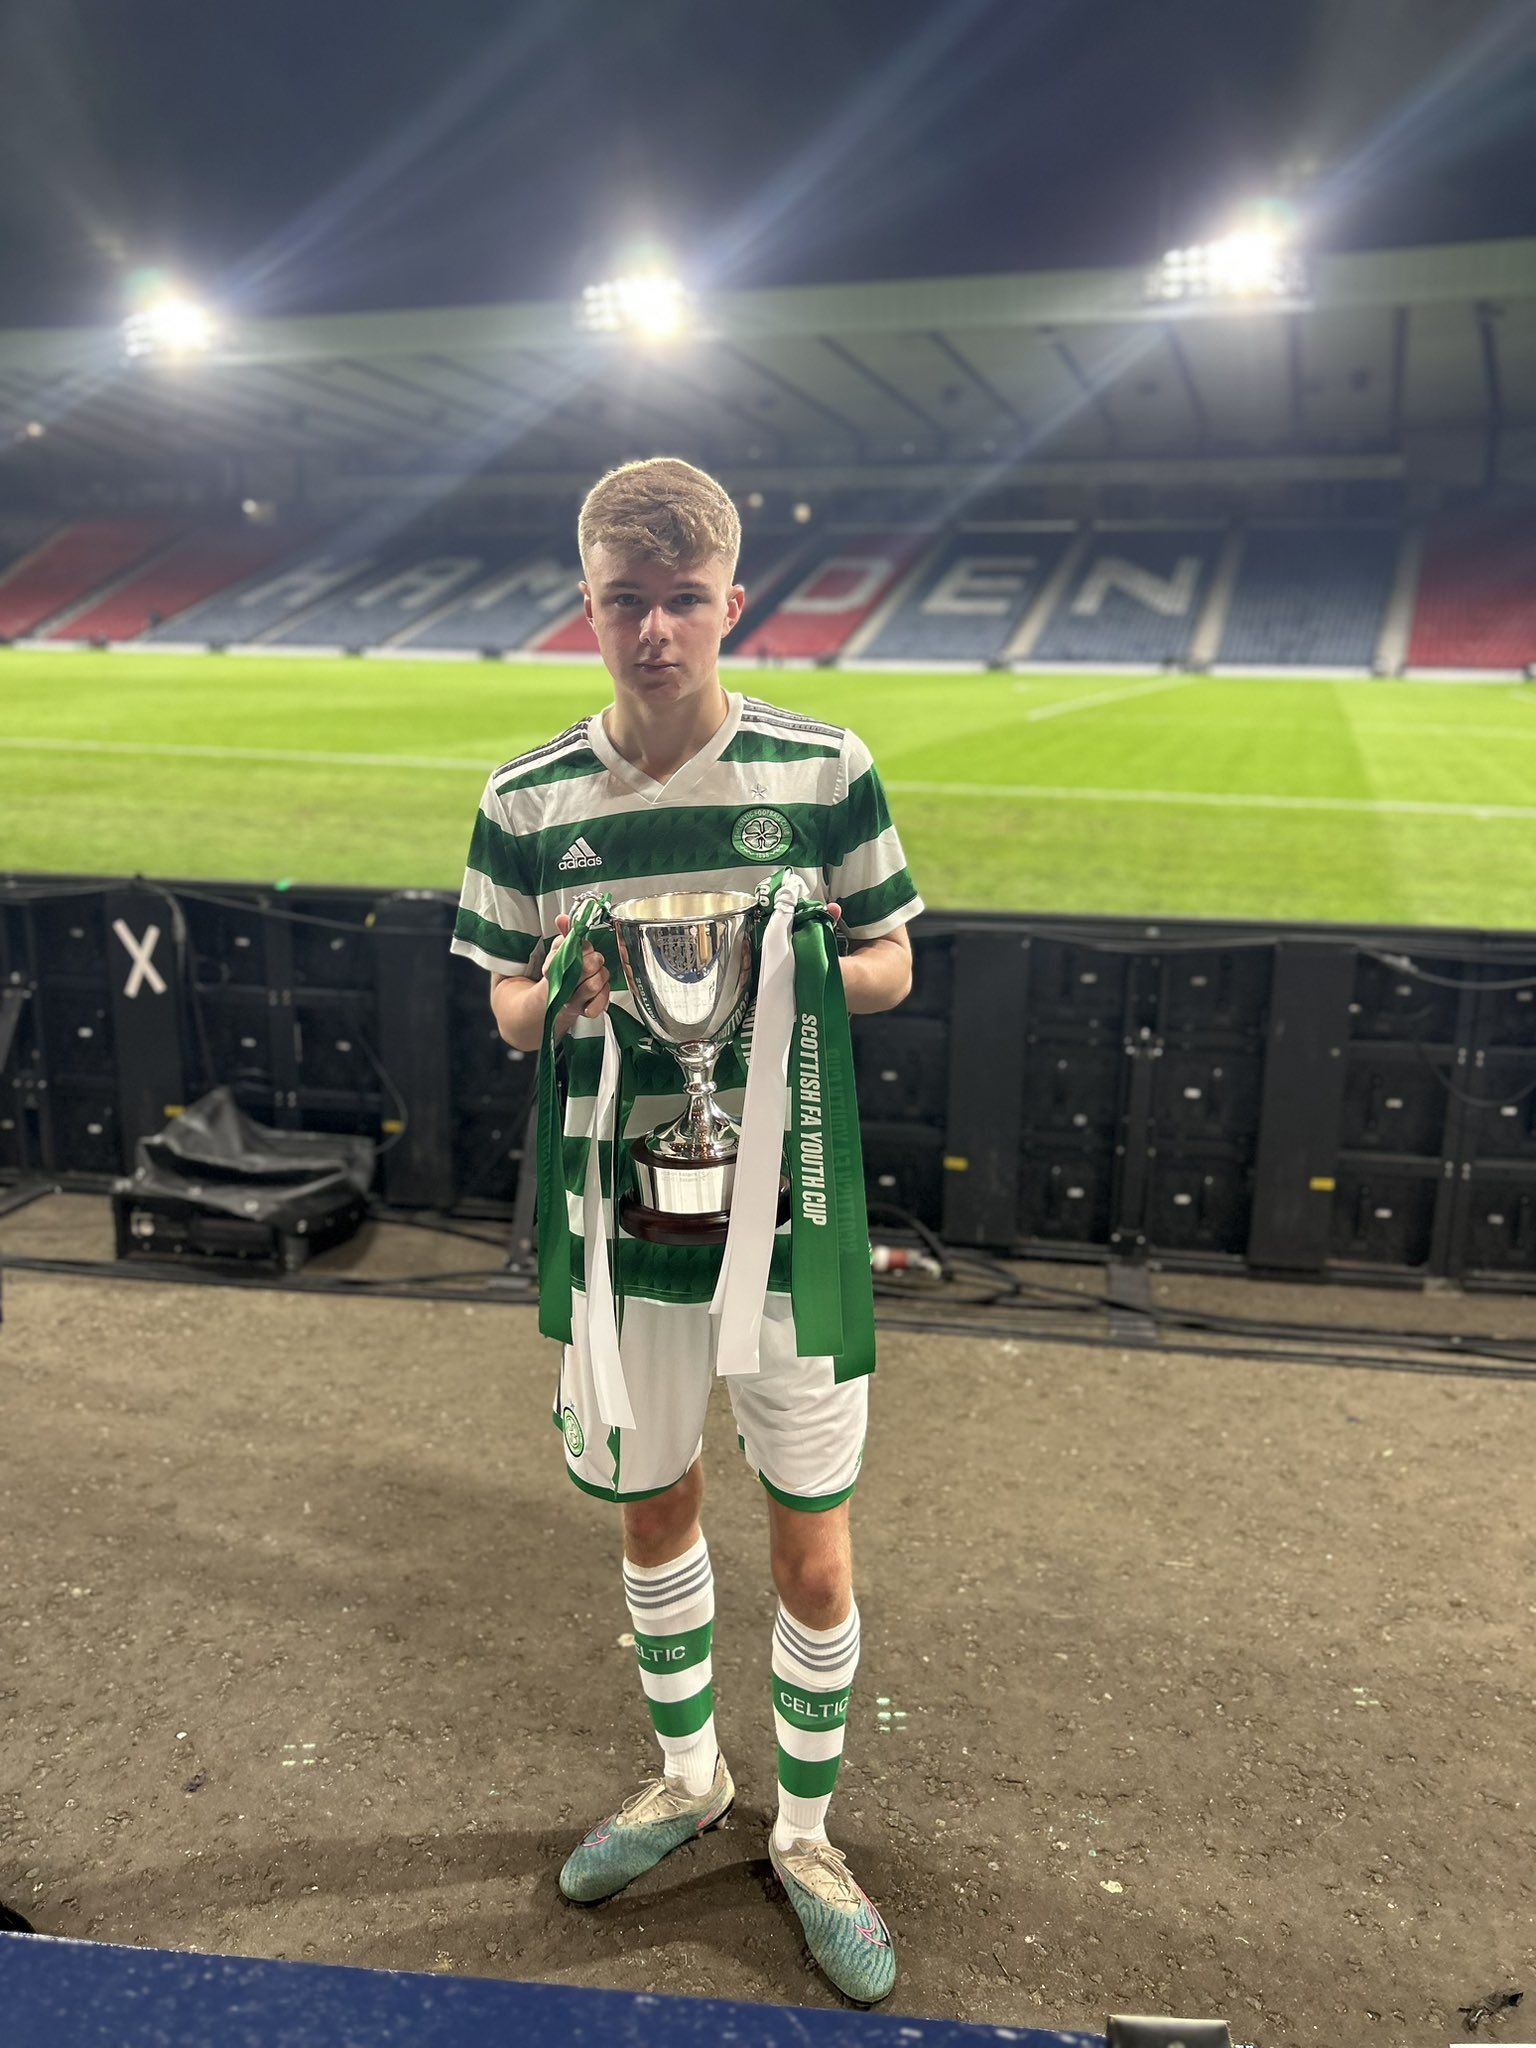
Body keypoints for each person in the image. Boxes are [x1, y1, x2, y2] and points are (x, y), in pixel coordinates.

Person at [449, 456, 922, 2004]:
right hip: (622, 1222)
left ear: (733, 602)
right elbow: (511, 1013)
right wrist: (568, 988)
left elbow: (893, 968)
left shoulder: (822, 766)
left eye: (683, 603)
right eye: (625, 604)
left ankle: (806, 1833)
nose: (656, 633)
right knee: (653, 1510)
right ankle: (685, 1780)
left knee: (811, 1543)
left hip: (790, 1222)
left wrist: (775, 954)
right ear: (586, 608)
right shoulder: (528, 800)